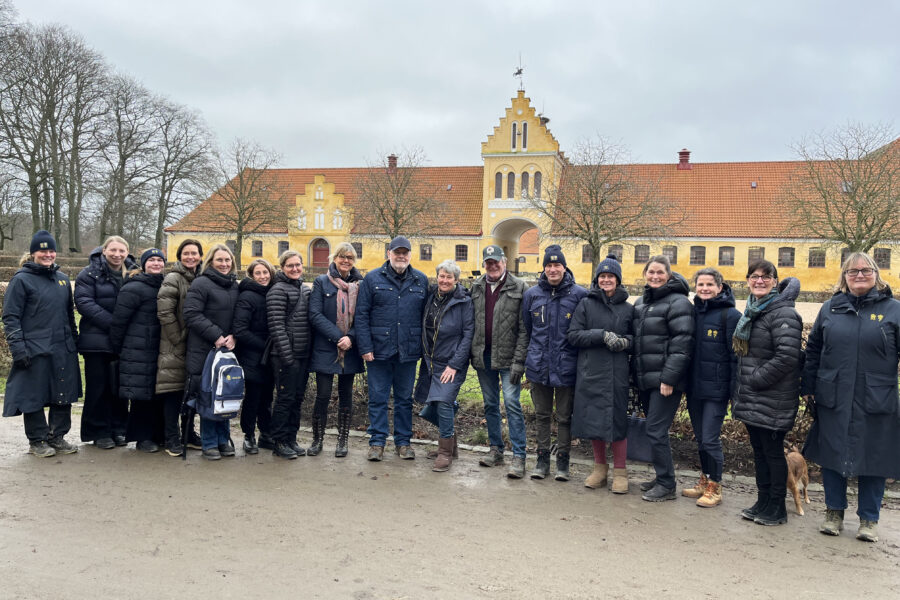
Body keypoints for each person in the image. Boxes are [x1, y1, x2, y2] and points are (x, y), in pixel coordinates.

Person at [802, 253, 900, 543]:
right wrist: (808, 386)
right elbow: (814, 349)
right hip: (834, 394)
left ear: (876, 274)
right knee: (833, 455)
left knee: (875, 457)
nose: (859, 275)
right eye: (852, 271)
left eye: (865, 270)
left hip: (877, 397)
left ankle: (869, 519)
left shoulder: (893, 310)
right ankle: (834, 512)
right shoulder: (831, 309)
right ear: (844, 276)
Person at [732, 259, 802, 526]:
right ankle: (763, 501)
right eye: (753, 276)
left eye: (766, 276)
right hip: (754, 398)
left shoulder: (783, 313)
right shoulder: (754, 310)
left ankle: (777, 507)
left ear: (775, 281)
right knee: (759, 452)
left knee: (772, 453)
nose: (759, 281)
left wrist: (755, 379)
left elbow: (787, 357)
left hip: (773, 398)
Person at [2, 231, 81, 457]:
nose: (47, 254)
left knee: (62, 391)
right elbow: (11, 317)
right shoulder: (21, 280)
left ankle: (57, 436)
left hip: (62, 347)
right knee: (33, 395)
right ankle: (37, 440)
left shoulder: (63, 280)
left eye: (51, 250)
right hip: (34, 348)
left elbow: (68, 315)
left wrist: (73, 342)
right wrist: (18, 349)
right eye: (42, 250)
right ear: (33, 253)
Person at [356, 235, 429, 461]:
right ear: (389, 254)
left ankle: (403, 442)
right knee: (378, 397)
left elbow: (428, 314)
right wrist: (365, 346)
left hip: (408, 350)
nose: (401, 256)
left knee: (404, 399)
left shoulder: (420, 280)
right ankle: (377, 442)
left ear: (409, 255)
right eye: (397, 252)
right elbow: (361, 314)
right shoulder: (372, 278)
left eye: (404, 252)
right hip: (378, 350)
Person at [567, 254, 634, 493]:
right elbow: (573, 335)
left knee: (617, 422)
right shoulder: (585, 304)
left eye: (611, 276)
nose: (606, 280)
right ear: (597, 280)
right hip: (591, 372)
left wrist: (625, 343)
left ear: (618, 280)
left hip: (616, 374)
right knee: (594, 421)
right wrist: (600, 335)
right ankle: (599, 469)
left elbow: (636, 339)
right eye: (602, 276)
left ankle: (620, 472)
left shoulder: (628, 308)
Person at [632, 255, 695, 502]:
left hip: (666, 382)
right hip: (647, 380)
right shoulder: (641, 302)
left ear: (669, 275)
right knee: (653, 429)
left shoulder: (679, 303)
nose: (655, 276)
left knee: (656, 430)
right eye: (651, 272)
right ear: (645, 274)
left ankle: (667, 484)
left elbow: (682, 344)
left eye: (660, 272)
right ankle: (661, 477)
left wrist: (669, 379)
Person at [522, 244, 587, 480]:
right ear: (544, 269)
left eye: (556, 265)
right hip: (539, 365)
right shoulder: (531, 295)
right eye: (548, 265)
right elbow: (528, 331)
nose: (552, 269)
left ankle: (562, 462)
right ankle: (541, 462)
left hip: (566, 366)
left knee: (564, 416)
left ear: (564, 267)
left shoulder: (579, 295)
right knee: (541, 415)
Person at [682, 267, 741, 507]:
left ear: (720, 287)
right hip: (695, 389)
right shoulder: (693, 313)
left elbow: (736, 358)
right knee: (700, 438)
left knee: (710, 439)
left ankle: (716, 486)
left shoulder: (731, 316)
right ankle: (704, 480)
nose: (704, 289)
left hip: (716, 391)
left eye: (709, 285)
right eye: (700, 285)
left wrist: (733, 393)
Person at [470, 245, 529, 478]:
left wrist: (519, 361)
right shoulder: (475, 287)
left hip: (508, 357)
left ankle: (519, 456)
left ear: (504, 262)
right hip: (483, 356)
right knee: (490, 404)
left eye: (496, 262)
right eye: (488, 262)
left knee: (512, 404)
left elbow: (525, 330)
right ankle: (496, 449)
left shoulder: (519, 287)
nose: (492, 266)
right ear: (484, 264)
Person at [75, 236, 137, 449]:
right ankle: (98, 431)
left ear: (127, 252)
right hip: (97, 341)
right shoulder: (89, 274)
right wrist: (115, 325)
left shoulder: (133, 274)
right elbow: (84, 302)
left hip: (123, 342)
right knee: (98, 387)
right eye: (113, 250)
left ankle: (119, 428)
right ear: (104, 251)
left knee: (120, 388)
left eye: (122, 251)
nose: (117, 254)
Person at [414, 260, 474, 472]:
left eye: (449, 277)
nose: (444, 280)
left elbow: (468, 335)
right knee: (433, 406)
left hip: (451, 363)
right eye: (442, 276)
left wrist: (454, 365)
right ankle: (451, 445)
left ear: (456, 280)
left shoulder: (464, 302)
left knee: (444, 402)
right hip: (431, 361)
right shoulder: (431, 297)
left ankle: (445, 453)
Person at [183, 243, 239, 460]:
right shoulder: (201, 283)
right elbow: (192, 313)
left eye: (227, 260)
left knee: (226, 393)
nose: (224, 264)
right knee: (208, 395)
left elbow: (238, 315)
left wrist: (233, 335)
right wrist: (216, 336)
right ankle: (209, 442)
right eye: (220, 260)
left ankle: (224, 440)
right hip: (205, 349)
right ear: (211, 262)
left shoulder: (234, 285)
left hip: (227, 349)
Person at [309, 242, 364, 458]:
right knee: (322, 395)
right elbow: (315, 314)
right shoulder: (322, 282)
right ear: (334, 258)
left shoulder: (361, 284)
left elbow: (364, 315)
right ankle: (317, 439)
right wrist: (338, 337)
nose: (345, 261)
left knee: (346, 395)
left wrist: (350, 337)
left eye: (350, 258)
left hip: (350, 348)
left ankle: (343, 440)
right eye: (342, 256)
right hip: (326, 346)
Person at [109, 249, 166, 452]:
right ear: (143, 264)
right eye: (152, 260)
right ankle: (142, 438)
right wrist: (118, 349)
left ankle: (158, 434)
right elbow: (119, 322)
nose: (156, 264)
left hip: (158, 347)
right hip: (137, 348)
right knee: (142, 397)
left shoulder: (164, 285)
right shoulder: (133, 288)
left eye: (160, 260)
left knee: (157, 394)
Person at [156, 239, 203, 456]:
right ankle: (171, 437)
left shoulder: (200, 278)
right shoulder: (173, 278)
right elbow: (165, 312)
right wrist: (179, 337)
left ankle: (188, 433)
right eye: (186, 253)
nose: (191, 257)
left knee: (190, 391)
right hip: (175, 344)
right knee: (173, 393)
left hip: (195, 344)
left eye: (194, 253)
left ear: (201, 256)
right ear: (179, 256)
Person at [266, 250, 312, 459]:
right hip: (285, 356)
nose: (295, 269)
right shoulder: (278, 290)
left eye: (298, 265)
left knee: (297, 398)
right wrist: (288, 357)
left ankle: (291, 438)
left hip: (302, 354)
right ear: (282, 267)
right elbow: (277, 327)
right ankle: (279, 441)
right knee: (285, 399)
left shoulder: (302, 288)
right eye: (290, 265)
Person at [232, 258, 275, 455]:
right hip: (252, 355)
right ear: (251, 275)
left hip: (270, 356)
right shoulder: (247, 296)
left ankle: (266, 433)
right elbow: (240, 330)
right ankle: (248, 435)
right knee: (253, 397)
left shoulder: (272, 292)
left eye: (265, 272)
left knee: (267, 397)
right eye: (258, 273)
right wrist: (265, 346)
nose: (263, 276)